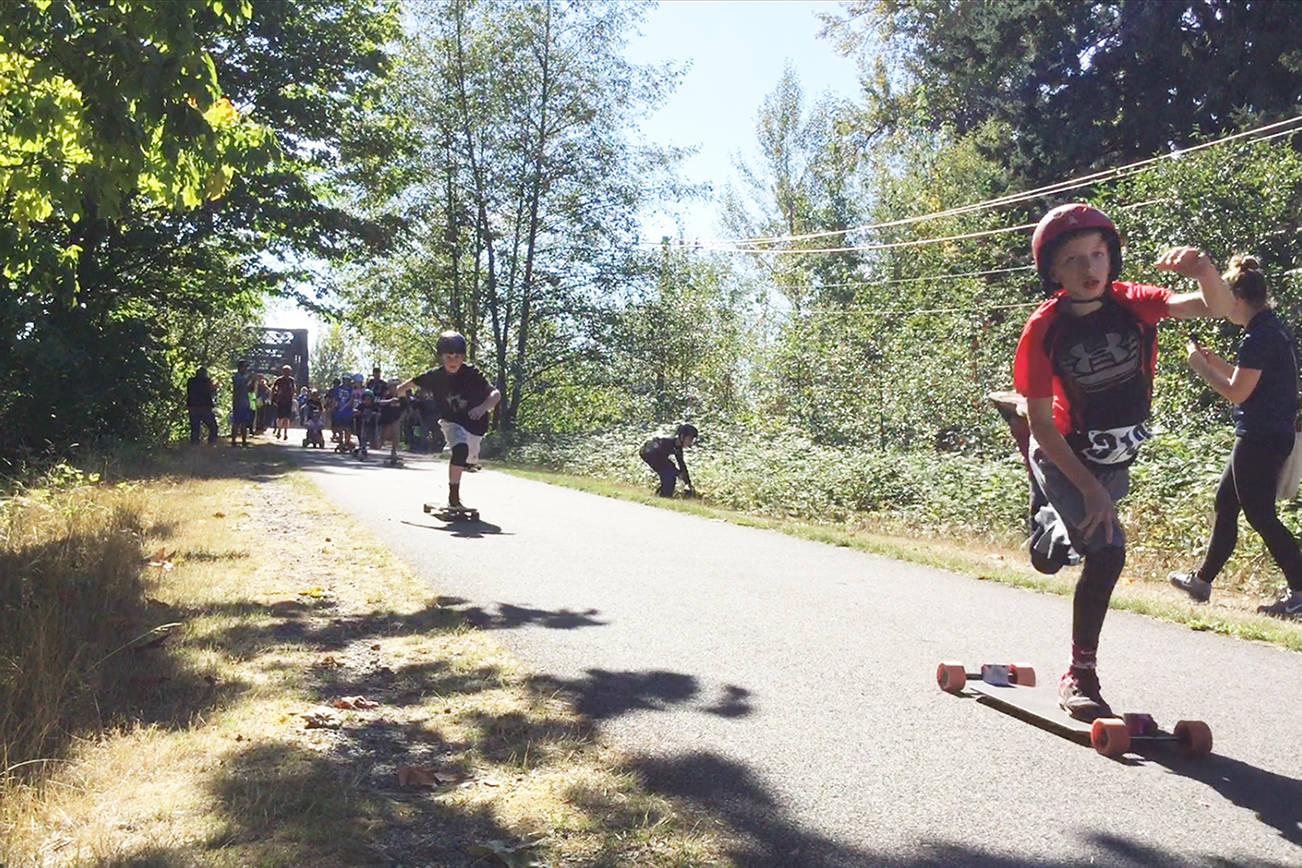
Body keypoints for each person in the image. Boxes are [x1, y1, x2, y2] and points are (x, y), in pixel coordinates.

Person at [1012, 202, 1231, 721]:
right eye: (1073, 261)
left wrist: (1203, 270)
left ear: (1111, 259)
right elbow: (1043, 424)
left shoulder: (1133, 303)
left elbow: (1214, 307)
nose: (1089, 269)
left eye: (1097, 255)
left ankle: (1046, 522)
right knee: (1108, 551)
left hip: (1114, 461)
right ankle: (1080, 674)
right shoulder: (1043, 331)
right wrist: (1087, 488)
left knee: (1056, 555)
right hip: (1063, 454)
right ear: (1053, 273)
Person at [1168, 256, 1302, 619]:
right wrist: (1215, 363)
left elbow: (1238, 392)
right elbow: (1248, 378)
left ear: (1238, 299)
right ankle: (1202, 581)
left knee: (1260, 515)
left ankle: (1300, 590)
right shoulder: (1270, 328)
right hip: (1267, 432)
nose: (1222, 307)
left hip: (1260, 436)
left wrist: (1201, 369)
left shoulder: (1258, 337)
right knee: (1226, 503)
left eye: (1226, 299)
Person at [392, 331, 500, 508]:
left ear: (463, 357)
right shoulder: (434, 376)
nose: (453, 361)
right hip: (451, 422)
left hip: (475, 425)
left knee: (470, 459)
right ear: (441, 356)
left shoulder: (472, 373)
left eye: (457, 356)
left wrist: (482, 408)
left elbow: (496, 394)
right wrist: (403, 401)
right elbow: (402, 388)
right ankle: (454, 497)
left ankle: (468, 464)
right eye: (448, 356)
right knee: (460, 450)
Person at [640, 424, 698, 497]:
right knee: (669, 473)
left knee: (670, 472)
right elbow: (662, 460)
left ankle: (662, 494)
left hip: (658, 456)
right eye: (690, 439)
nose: (691, 443)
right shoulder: (666, 442)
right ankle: (664, 495)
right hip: (648, 453)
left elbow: (682, 465)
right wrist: (677, 473)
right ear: (682, 436)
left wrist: (688, 483)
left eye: (693, 440)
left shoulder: (677, 447)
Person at [230, 360, 255, 447]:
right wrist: (248, 379)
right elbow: (239, 387)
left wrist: (252, 381)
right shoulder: (237, 377)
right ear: (241, 367)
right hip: (238, 402)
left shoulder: (242, 377)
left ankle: (244, 441)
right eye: (245, 367)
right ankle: (234, 441)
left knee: (244, 422)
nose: (246, 369)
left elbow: (248, 389)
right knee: (237, 422)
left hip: (244, 402)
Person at [271, 365, 296, 440]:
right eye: (285, 371)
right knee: (280, 417)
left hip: (288, 401)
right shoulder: (279, 380)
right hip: (281, 401)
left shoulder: (291, 380)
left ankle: (285, 433)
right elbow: (273, 389)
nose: (287, 373)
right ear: (282, 371)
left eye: (288, 371)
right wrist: (274, 397)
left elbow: (294, 389)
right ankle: (279, 431)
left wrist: (292, 395)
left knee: (286, 418)